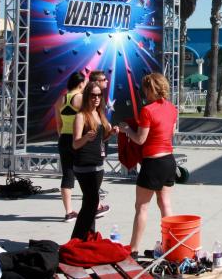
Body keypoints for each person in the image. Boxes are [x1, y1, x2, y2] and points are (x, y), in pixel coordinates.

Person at [119, 73, 178, 254]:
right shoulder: (172, 108)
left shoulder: (147, 110)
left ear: (149, 89)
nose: (143, 93)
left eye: (144, 89)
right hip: (169, 160)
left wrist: (127, 129)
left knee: (141, 207)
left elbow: (140, 139)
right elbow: (172, 133)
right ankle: (170, 246)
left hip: (153, 162)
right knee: (165, 204)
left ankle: (134, 249)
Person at [70, 81, 117, 240]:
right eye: (93, 95)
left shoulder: (100, 114)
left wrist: (110, 134)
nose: (96, 98)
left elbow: (101, 139)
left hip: (98, 164)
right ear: (87, 97)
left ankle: (88, 237)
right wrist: (85, 137)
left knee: (89, 202)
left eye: (99, 95)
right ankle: (77, 238)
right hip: (84, 165)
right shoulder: (81, 116)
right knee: (92, 201)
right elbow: (75, 144)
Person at [55, 72, 85, 222]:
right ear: (80, 84)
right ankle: (95, 206)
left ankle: (69, 212)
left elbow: (59, 124)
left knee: (67, 174)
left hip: (64, 139)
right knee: (86, 173)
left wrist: (63, 137)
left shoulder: (61, 99)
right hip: (77, 138)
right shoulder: (79, 98)